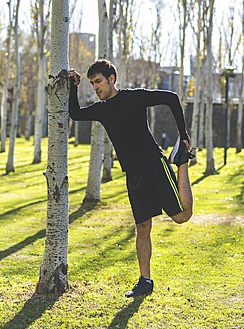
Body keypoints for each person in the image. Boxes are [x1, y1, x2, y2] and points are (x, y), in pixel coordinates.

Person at [68, 60, 194, 298]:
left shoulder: (134, 97)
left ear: (111, 79)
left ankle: (182, 162)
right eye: (92, 83)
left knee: (182, 216)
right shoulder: (101, 109)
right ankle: (145, 281)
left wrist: (183, 134)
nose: (95, 87)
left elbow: (172, 98)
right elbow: (74, 114)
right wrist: (73, 86)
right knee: (142, 227)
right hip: (133, 175)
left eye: (99, 81)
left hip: (155, 166)